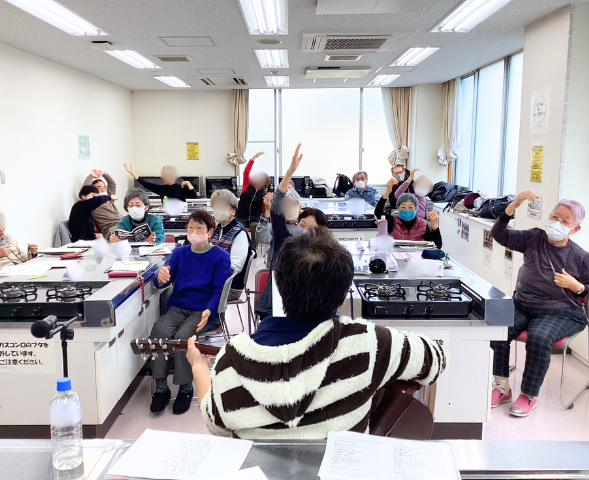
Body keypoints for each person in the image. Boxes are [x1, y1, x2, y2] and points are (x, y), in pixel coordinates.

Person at [187, 233, 446, 439]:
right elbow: (435, 360)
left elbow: (216, 424)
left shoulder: (230, 358)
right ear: (343, 297)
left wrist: (198, 367)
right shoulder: (370, 342)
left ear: (278, 288)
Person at [490, 192, 589, 417]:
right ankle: (502, 388)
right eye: (554, 217)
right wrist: (514, 205)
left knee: (539, 337)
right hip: (523, 304)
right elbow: (499, 234)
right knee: (498, 328)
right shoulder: (534, 238)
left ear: (575, 229)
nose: (557, 223)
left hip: (561, 312)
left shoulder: (580, 257)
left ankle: (528, 395)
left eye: (565, 221)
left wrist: (577, 286)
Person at [149, 210, 231, 415]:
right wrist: (160, 276)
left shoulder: (221, 256)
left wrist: (209, 311)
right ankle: (161, 386)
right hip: (178, 307)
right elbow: (164, 281)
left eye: (199, 228)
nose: (194, 232)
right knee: (158, 331)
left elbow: (218, 290)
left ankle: (185, 387)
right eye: (190, 227)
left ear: (210, 232)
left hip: (202, 309)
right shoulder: (180, 253)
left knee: (183, 337)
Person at [255, 143, 329, 321]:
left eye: (311, 229)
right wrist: (289, 172)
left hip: (309, 304)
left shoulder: (321, 250)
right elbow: (276, 207)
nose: (305, 231)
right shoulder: (284, 238)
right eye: (303, 225)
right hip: (276, 305)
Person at [210, 189, 251, 301]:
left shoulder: (239, 233)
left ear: (233, 211)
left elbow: (235, 267)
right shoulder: (216, 229)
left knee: (191, 294)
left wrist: (207, 275)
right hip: (211, 281)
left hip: (230, 286)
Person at [376, 193, 442, 248]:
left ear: (416, 209)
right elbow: (378, 212)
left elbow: (437, 246)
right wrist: (387, 192)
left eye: (410, 207)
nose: (407, 210)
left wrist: (435, 227)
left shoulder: (423, 224)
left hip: (416, 257)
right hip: (395, 255)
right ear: (398, 208)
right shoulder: (392, 220)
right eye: (403, 207)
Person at [236, 152, 269, 250]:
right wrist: (253, 158)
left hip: (255, 218)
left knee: (255, 226)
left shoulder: (264, 194)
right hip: (242, 216)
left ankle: (252, 249)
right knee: (239, 228)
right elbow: (246, 171)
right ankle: (241, 249)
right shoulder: (247, 186)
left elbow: (263, 210)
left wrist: (267, 203)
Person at [123, 163, 198, 202]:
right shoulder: (161, 189)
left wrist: (188, 183)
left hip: (180, 214)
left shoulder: (181, 187)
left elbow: (194, 196)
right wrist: (133, 174)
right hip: (167, 214)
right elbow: (146, 184)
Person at [82, 169, 122, 238]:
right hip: (111, 228)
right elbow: (84, 190)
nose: (103, 190)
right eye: (99, 188)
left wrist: (103, 173)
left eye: (104, 187)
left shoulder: (109, 198)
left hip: (123, 223)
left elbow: (112, 184)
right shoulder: (92, 202)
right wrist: (91, 175)